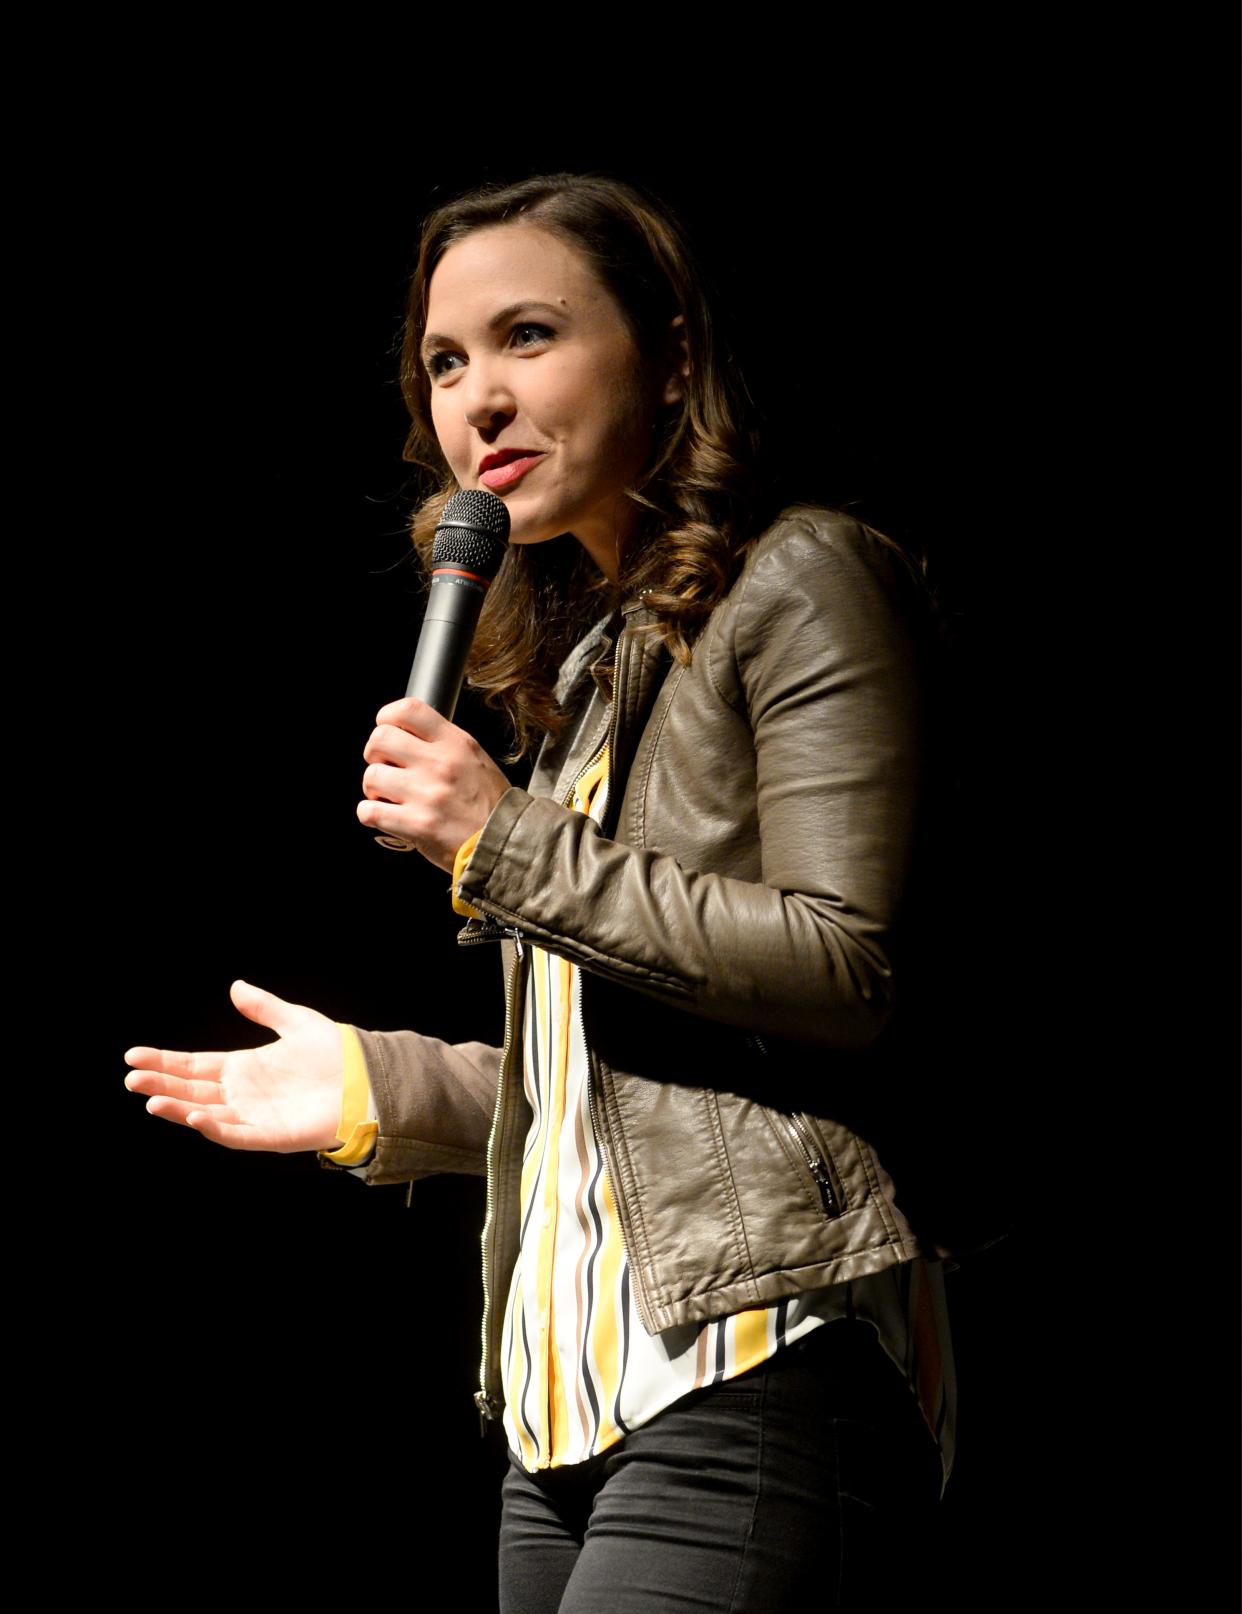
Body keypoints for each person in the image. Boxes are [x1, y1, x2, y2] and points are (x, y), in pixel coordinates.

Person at [124, 172, 957, 1612]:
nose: (478, 401)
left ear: (674, 355)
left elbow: (844, 967)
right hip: (560, 1403)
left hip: (753, 1354)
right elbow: (614, 1088)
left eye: (527, 337)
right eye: (445, 363)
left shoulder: (803, 577)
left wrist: (500, 841)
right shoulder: (583, 682)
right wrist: (381, 1091)